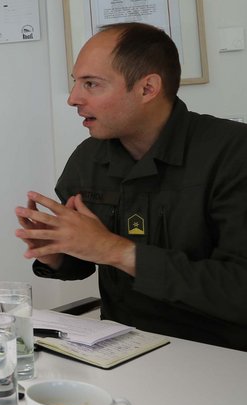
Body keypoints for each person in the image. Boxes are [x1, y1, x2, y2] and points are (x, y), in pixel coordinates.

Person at [14, 22, 247, 351]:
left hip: (219, 354)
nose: (72, 99)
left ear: (147, 88)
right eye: (76, 83)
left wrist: (116, 250)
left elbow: (239, 290)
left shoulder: (234, 153)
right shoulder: (89, 159)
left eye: (91, 84)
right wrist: (56, 252)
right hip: (119, 347)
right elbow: (83, 262)